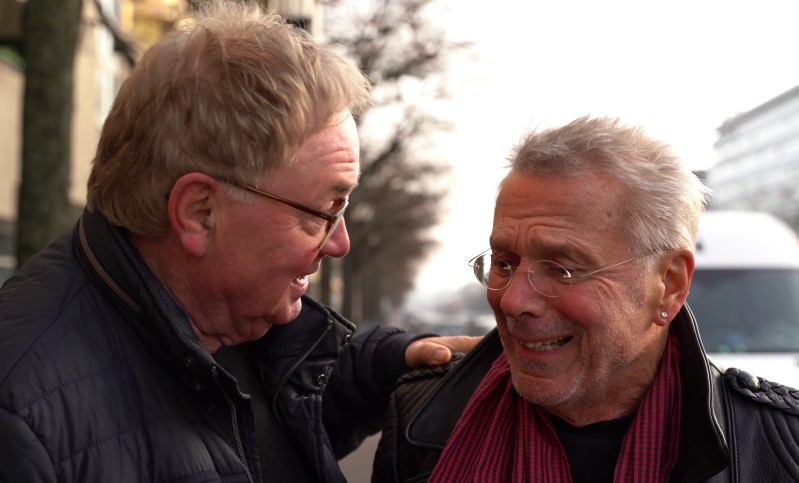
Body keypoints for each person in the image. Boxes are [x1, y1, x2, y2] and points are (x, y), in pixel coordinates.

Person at [0, 2, 478, 482]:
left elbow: (272, 417)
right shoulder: (22, 422)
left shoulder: (229, 321)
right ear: (200, 213)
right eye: (324, 213)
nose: (340, 244)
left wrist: (384, 363)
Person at [372, 116, 799, 483]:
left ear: (669, 284)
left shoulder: (782, 447)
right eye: (504, 263)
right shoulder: (419, 417)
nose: (513, 301)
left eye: (563, 269)